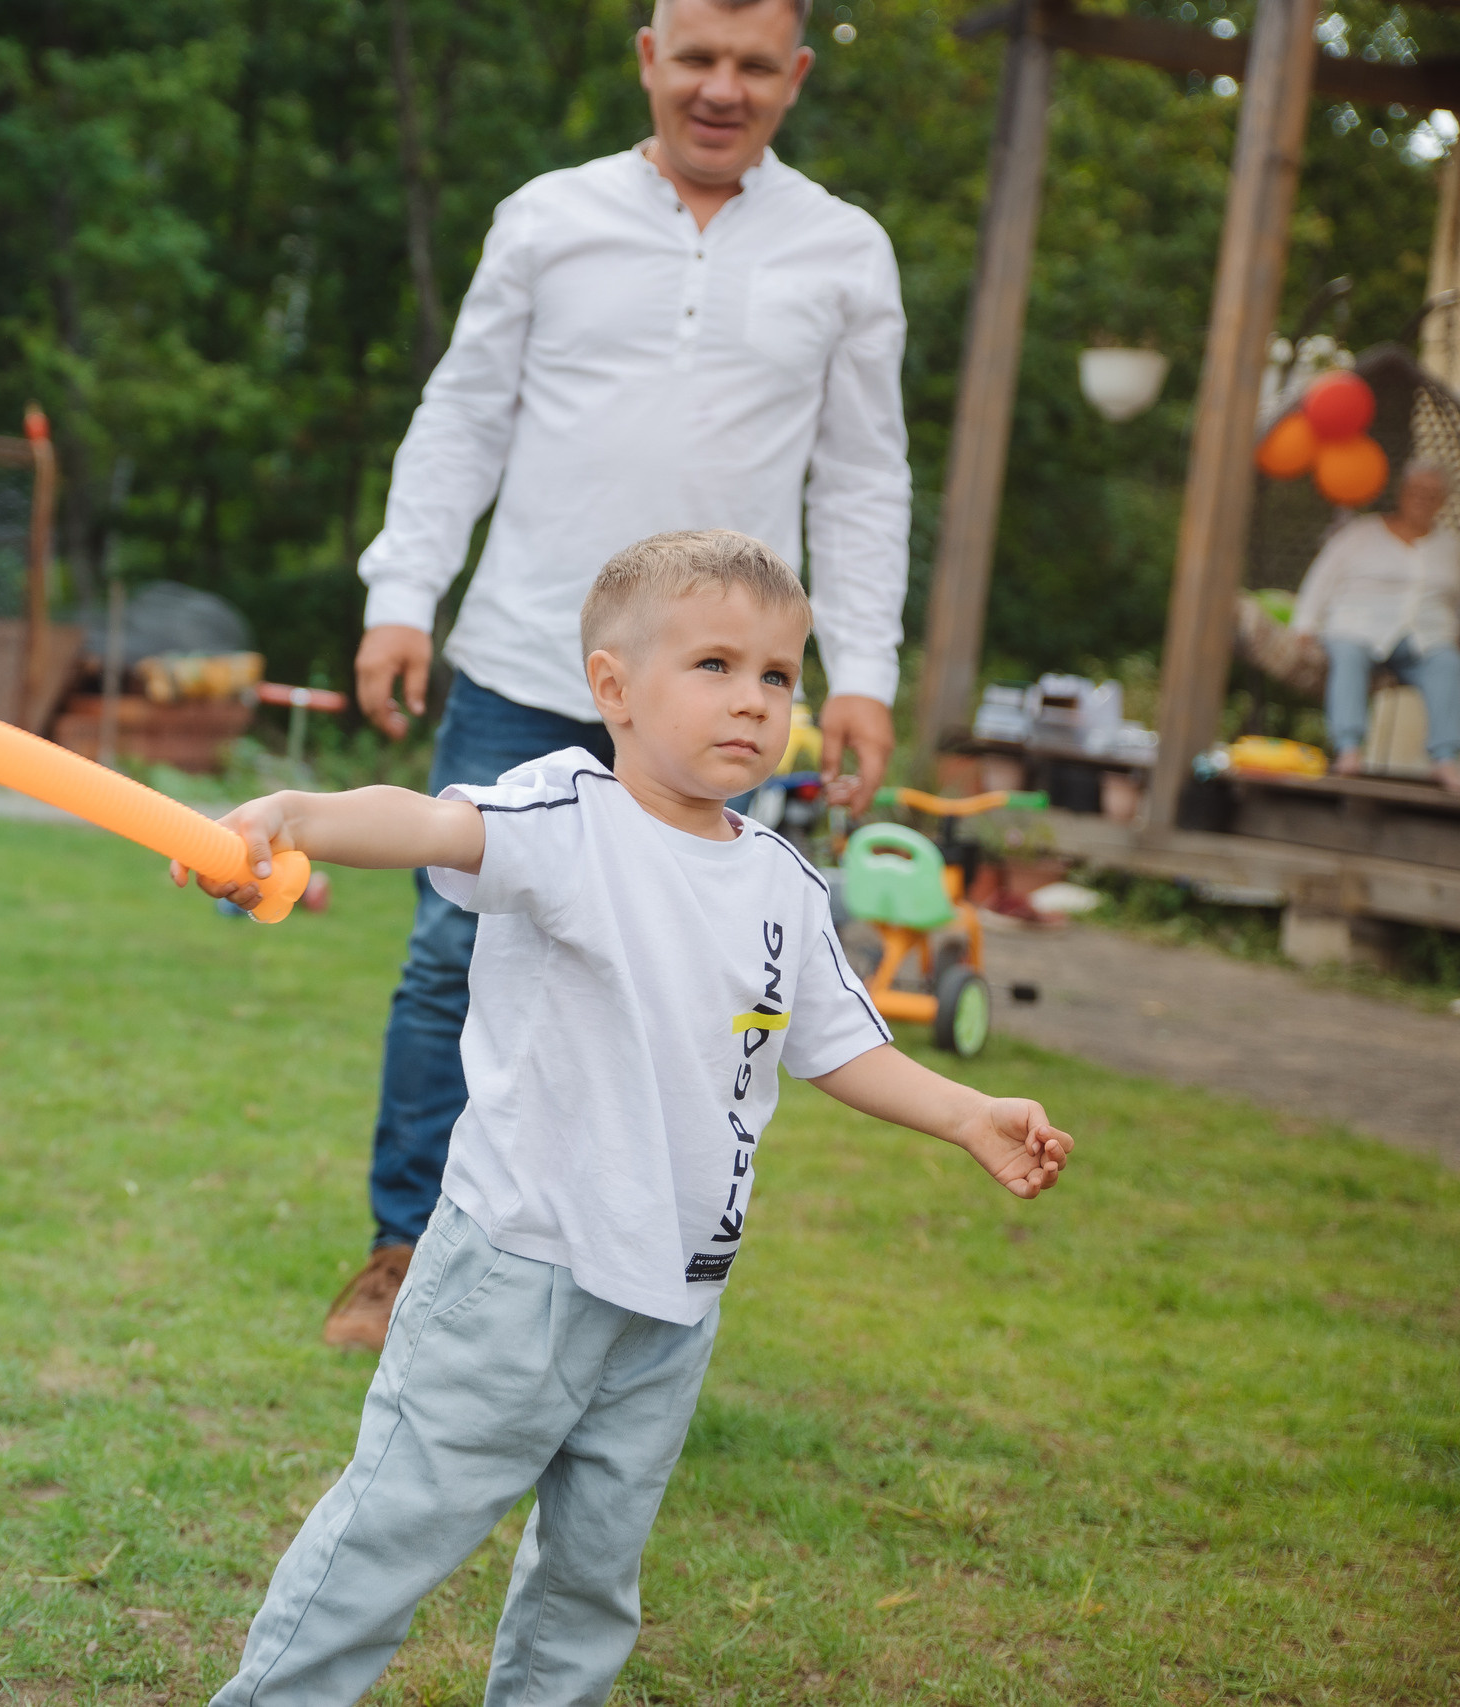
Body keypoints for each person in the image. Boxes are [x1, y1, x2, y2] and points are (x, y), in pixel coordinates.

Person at [181, 530, 1073, 1707]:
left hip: (673, 1298)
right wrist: (297, 814)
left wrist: (968, 1115)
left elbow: (837, 1042)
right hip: (518, 1276)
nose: (752, 701)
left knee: (590, 1583)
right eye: (713, 665)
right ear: (614, 688)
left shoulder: (782, 882)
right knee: (392, 1534)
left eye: (776, 675)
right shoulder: (569, 818)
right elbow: (433, 824)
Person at [330, 0, 914, 1349]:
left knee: (683, 988)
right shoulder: (548, 218)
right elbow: (462, 414)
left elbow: (864, 477)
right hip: (525, 654)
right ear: (649, 58)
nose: (721, 88)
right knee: (450, 952)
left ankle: (616, 1274)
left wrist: (865, 669)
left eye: (753, 66)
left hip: (709, 698)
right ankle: (404, 1251)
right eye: (696, 57)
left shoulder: (844, 251)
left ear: (796, 76)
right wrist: (402, 594)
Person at [1291, 459, 1460, 791]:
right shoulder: (1361, 533)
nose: (1423, 499)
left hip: (1425, 639)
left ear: (1442, 501)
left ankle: (1445, 758)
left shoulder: (1451, 548)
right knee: (1348, 655)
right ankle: (1349, 748)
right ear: (1402, 492)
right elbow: (1321, 578)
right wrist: (1304, 626)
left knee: (1448, 664)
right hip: (1358, 628)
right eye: (1417, 491)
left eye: (1432, 494)